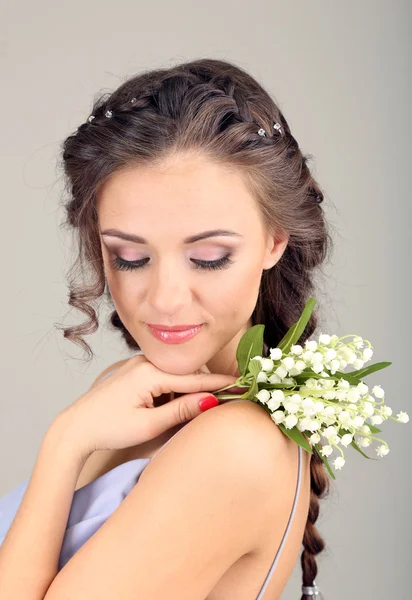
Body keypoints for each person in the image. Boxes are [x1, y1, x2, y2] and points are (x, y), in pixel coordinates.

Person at [0, 58, 332, 599]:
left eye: (208, 256)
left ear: (275, 241)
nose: (164, 298)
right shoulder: (127, 392)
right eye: (130, 257)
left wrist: (64, 444)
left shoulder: (235, 449)